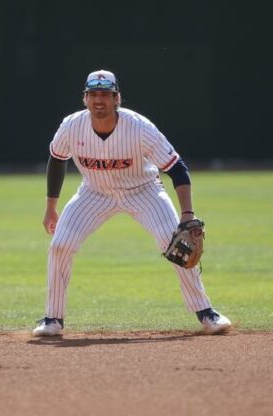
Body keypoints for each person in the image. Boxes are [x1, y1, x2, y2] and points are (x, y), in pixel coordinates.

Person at [33, 69, 231, 336]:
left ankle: (206, 313)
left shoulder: (139, 128)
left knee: (175, 244)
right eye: (93, 94)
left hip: (144, 190)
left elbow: (177, 168)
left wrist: (187, 213)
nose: (99, 100)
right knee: (60, 245)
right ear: (85, 98)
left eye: (105, 94)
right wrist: (50, 207)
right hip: (95, 192)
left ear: (117, 98)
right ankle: (52, 319)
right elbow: (57, 159)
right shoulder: (71, 126)